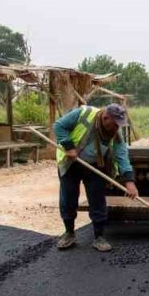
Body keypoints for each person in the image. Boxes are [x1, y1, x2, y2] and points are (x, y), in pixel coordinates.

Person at [53, 102, 139, 252]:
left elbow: (121, 154)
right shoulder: (84, 114)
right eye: (115, 124)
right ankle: (69, 233)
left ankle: (99, 236)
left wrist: (129, 181)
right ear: (105, 118)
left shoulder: (114, 132)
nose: (117, 128)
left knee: (97, 198)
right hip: (70, 162)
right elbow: (59, 126)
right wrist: (69, 146)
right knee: (68, 197)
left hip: (95, 164)